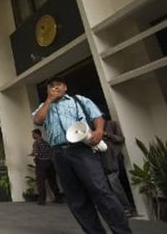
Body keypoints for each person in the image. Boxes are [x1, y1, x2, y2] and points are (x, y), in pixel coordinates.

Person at [32, 76, 132, 234]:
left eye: (58, 85)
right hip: (59, 154)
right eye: (51, 87)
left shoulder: (78, 100)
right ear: (48, 91)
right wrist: (49, 100)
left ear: (65, 87)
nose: (55, 88)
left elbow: (97, 116)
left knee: (101, 191)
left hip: (82, 149)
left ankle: (122, 231)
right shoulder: (44, 106)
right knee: (76, 199)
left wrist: (99, 130)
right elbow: (38, 120)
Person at [100, 117, 135, 217]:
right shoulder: (92, 128)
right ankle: (118, 209)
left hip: (114, 159)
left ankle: (127, 207)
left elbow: (120, 138)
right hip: (103, 161)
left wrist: (107, 135)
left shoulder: (112, 124)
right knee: (107, 186)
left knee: (114, 183)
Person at [30, 129, 63, 205]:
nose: (32, 136)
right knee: (52, 181)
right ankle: (58, 197)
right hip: (50, 163)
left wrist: (32, 154)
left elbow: (36, 153)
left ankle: (42, 200)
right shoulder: (46, 143)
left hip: (41, 163)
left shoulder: (36, 143)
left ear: (37, 134)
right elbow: (51, 153)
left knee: (40, 182)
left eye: (33, 134)